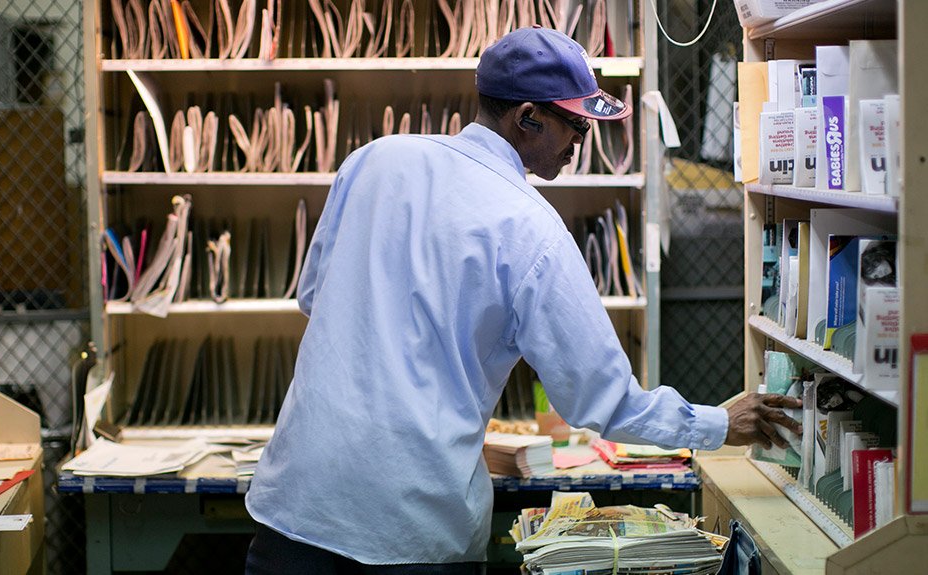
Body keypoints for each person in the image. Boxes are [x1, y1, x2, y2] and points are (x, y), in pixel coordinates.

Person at [244, 26, 802, 574]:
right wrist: (717, 423)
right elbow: (602, 400)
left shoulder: (373, 161)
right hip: (408, 527)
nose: (582, 141)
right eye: (576, 123)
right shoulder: (530, 228)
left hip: (297, 505)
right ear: (528, 115)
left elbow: (316, 296)